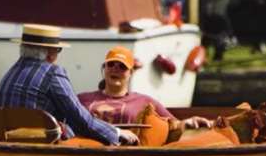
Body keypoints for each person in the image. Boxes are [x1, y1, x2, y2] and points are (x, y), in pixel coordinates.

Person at [0, 24, 139, 146]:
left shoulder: (11, 72)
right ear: (51, 53)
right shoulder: (52, 73)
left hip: (4, 145)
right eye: (58, 50)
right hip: (39, 149)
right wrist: (117, 132)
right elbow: (81, 120)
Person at [77, 46, 213, 130]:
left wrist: (190, 122)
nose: (115, 69)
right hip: (85, 153)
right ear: (104, 68)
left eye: (122, 66)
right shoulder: (82, 99)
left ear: (131, 72)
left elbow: (174, 125)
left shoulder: (145, 101)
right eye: (111, 64)